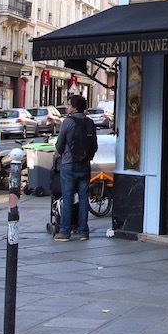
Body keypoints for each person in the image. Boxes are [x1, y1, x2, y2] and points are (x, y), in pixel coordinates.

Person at [54, 94, 98, 241]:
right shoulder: (90, 123)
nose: (67, 107)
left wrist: (63, 154)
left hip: (69, 164)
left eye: (69, 105)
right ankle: (83, 232)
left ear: (75, 107)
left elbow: (59, 144)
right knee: (84, 198)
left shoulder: (68, 122)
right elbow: (94, 145)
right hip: (85, 165)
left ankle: (65, 232)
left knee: (67, 198)